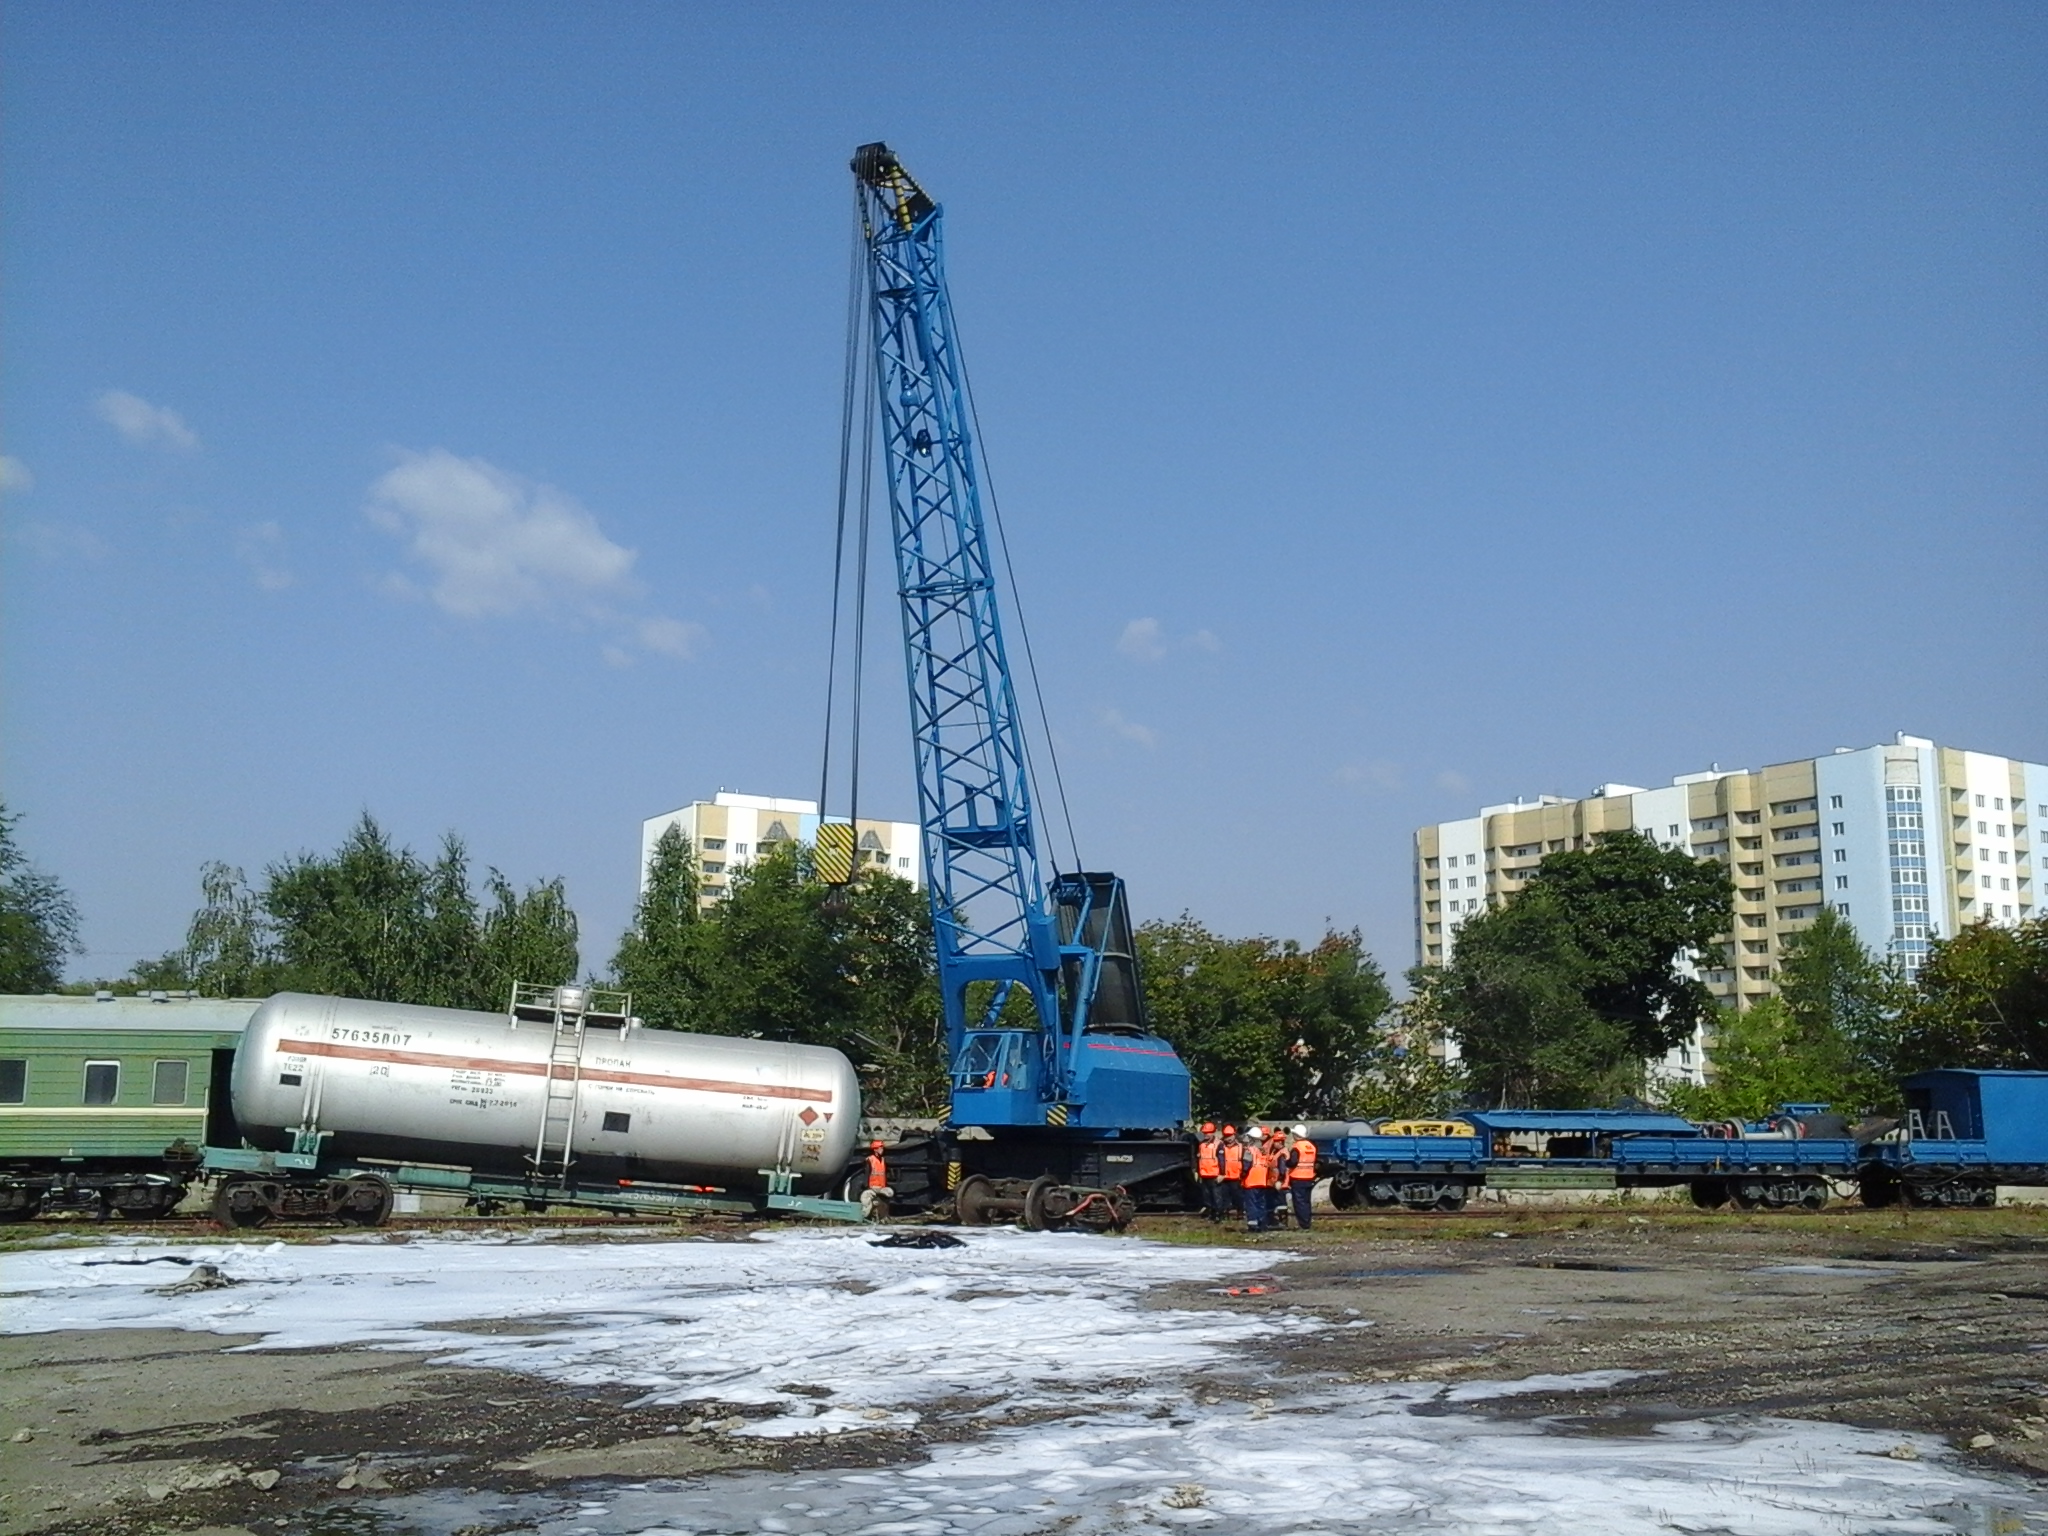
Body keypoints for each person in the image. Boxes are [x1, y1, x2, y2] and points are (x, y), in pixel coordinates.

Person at [1288, 1123, 1318, 1232]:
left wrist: (1286, 1162)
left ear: (1296, 1135)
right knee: (1306, 1202)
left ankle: (1303, 1225)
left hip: (1297, 1178)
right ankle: (1307, 1222)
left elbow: (1293, 1162)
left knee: (1299, 1203)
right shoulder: (1311, 1146)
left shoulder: (1297, 1147)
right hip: (1309, 1178)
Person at [1241, 1126, 1272, 1232]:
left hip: (1251, 1181)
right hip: (1262, 1181)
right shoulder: (1263, 1151)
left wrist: (1242, 1176)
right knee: (1261, 1203)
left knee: (1251, 1203)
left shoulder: (1249, 1150)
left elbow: (1246, 1165)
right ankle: (1262, 1224)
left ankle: (1253, 1224)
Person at [1194, 1122, 1222, 1222]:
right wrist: (1197, 1171)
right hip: (1204, 1173)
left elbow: (1222, 1160)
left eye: (1208, 1133)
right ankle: (1210, 1213)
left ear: (1213, 1133)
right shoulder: (1201, 1145)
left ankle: (1217, 1214)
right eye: (1205, 1133)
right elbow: (1199, 1159)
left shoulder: (1218, 1144)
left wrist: (1221, 1174)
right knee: (1207, 1195)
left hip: (1214, 1174)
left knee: (1216, 1196)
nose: (1206, 1135)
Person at [1217, 1126, 1244, 1220]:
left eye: (1230, 1135)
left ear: (1234, 1135)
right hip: (1225, 1176)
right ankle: (1225, 1213)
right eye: (1227, 1136)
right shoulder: (1221, 1146)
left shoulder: (1241, 1146)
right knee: (1225, 1196)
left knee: (1238, 1196)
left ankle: (1240, 1212)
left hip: (1237, 1176)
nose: (1229, 1138)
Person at [861, 1139, 892, 1219]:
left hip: (881, 1186)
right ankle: (864, 1216)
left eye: (882, 1148)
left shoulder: (883, 1160)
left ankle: (884, 1215)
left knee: (889, 1193)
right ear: (875, 1149)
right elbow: (867, 1173)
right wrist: (866, 1185)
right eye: (880, 1148)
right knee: (865, 1198)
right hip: (872, 1187)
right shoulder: (870, 1160)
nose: (882, 1150)